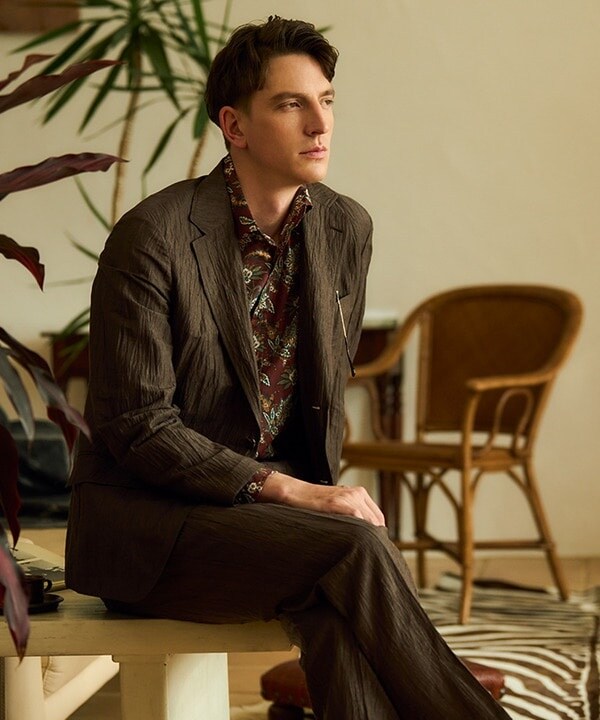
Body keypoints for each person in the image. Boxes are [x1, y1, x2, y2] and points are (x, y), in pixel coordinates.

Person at [66, 16, 512, 720]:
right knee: (353, 550)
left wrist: (304, 498)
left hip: (275, 527)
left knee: (338, 598)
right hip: (153, 529)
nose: (319, 123)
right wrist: (296, 494)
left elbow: (321, 395)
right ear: (235, 126)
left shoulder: (345, 227)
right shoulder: (153, 237)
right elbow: (137, 426)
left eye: (326, 101)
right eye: (290, 103)